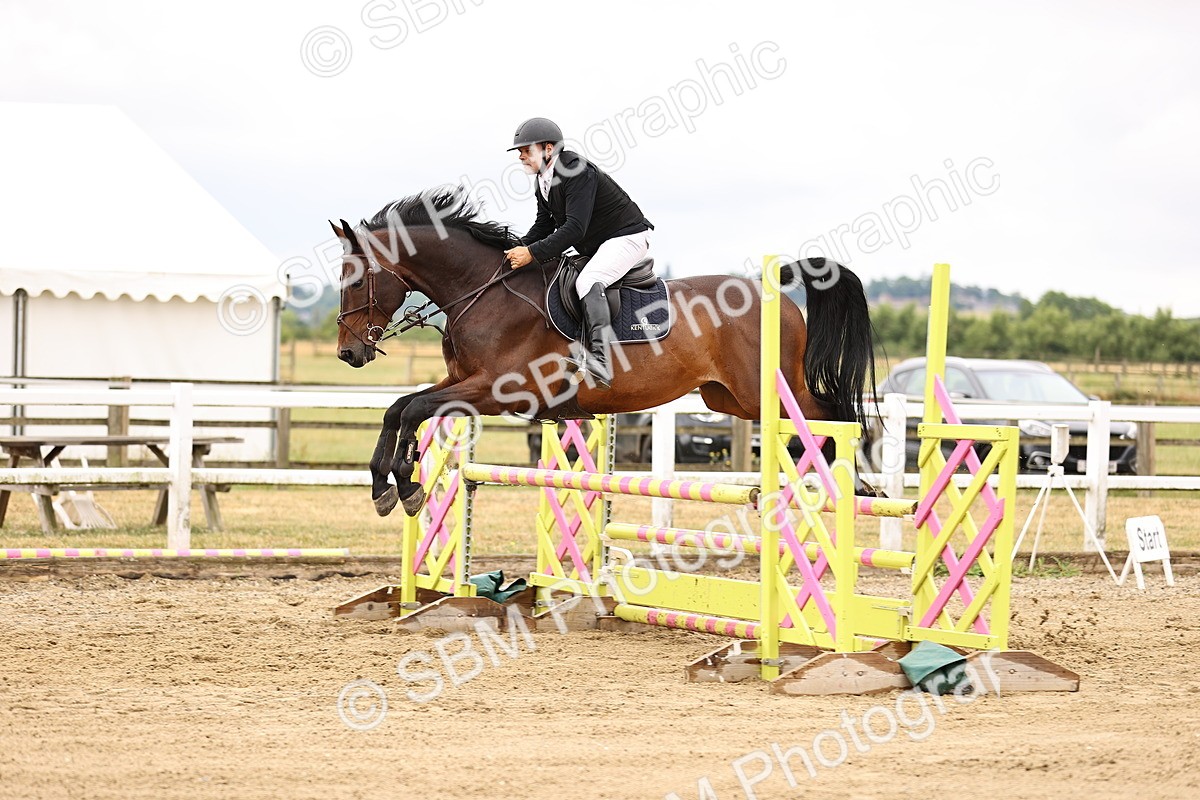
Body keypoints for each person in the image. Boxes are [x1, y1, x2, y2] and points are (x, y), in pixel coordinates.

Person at [502, 117, 653, 390]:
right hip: (601, 242)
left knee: (587, 281)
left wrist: (532, 254)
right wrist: (516, 248)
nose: (521, 155)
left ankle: (600, 361)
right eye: (519, 151)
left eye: (526, 149)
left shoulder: (576, 170)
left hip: (627, 236)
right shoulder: (543, 179)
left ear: (549, 149)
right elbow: (544, 225)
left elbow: (574, 228)